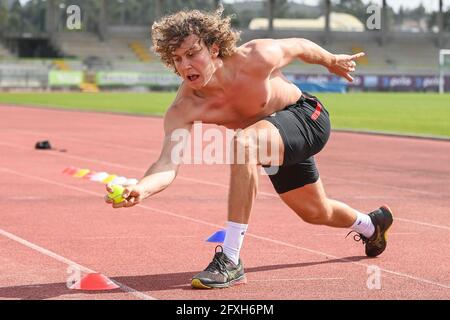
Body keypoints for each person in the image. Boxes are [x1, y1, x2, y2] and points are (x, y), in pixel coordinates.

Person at [104, 6, 393, 289]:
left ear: (214, 49)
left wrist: (331, 60)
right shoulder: (183, 108)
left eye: (193, 54)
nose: (185, 65)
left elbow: (300, 45)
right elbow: (167, 164)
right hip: (269, 140)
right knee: (315, 212)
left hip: (306, 117)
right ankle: (371, 225)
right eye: (177, 59)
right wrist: (142, 188)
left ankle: (230, 259)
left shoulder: (255, 56)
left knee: (243, 142)